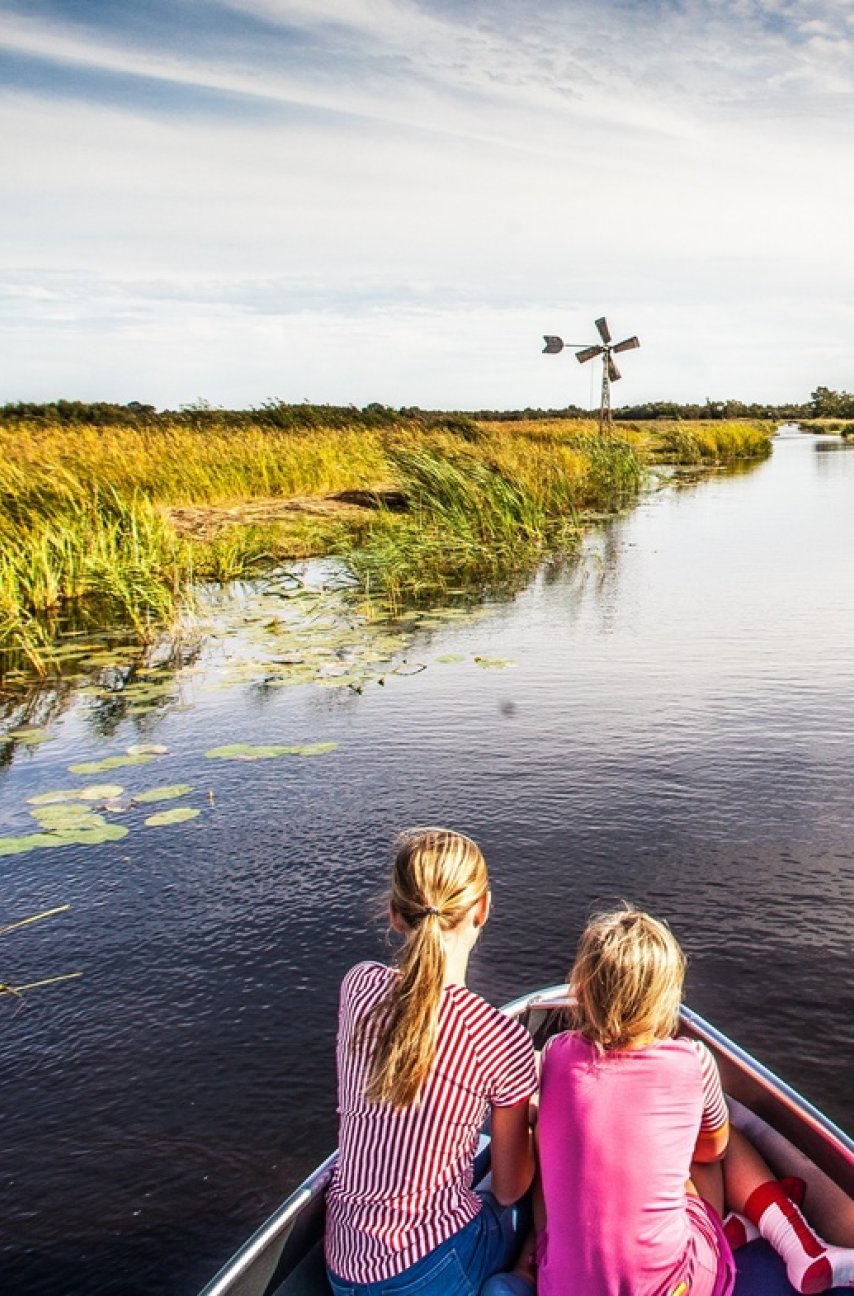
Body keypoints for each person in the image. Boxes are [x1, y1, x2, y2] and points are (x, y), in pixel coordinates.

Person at [488, 906, 854, 1296]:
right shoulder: (693, 1062)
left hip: (562, 1288)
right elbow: (713, 1152)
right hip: (675, 1287)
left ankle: (732, 1231)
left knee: (553, 1145)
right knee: (724, 1141)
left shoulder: (557, 1054)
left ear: (585, 988)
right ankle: (796, 1245)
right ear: (666, 995)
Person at [324, 827, 538, 1296]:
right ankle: (521, 1279)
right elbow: (508, 1189)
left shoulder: (357, 986)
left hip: (342, 1265)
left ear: (395, 914)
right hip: (428, 1271)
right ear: (483, 909)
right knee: (532, 1191)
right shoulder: (499, 1037)